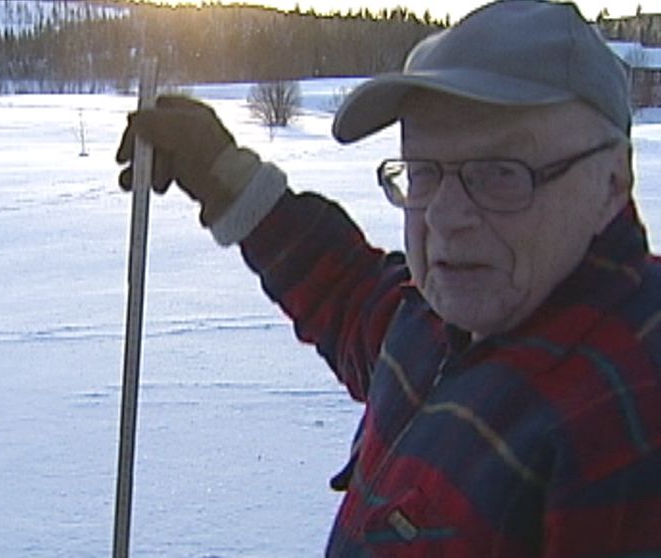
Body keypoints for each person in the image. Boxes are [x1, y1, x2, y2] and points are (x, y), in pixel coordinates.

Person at [115, 1, 661, 556]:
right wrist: (223, 175)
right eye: (424, 171)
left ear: (613, 181)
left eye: (501, 173)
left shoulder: (626, 425)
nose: (445, 217)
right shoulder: (455, 311)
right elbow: (352, 300)